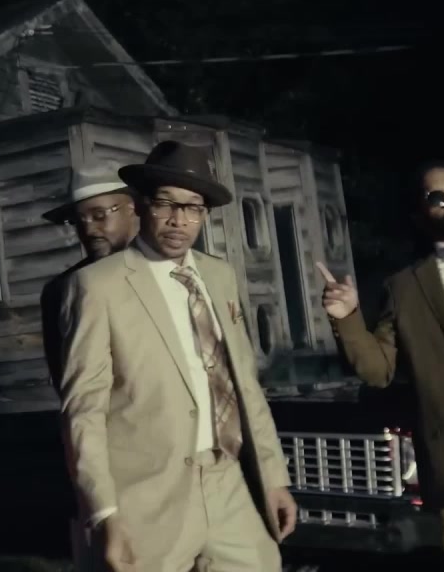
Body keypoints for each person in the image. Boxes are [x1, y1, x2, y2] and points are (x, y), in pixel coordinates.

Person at [59, 140, 297, 572]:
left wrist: (274, 477)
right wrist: (105, 512)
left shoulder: (219, 276)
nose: (178, 220)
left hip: (227, 480)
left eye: (192, 208)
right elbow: (83, 411)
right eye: (166, 204)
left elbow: (244, 384)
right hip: (147, 495)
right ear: (142, 205)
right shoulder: (98, 285)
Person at [319, 160, 444, 572]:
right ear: (421, 215)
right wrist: (346, 317)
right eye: (436, 198)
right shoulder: (406, 287)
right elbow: (378, 370)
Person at [37, 159, 139, 571]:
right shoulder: (62, 291)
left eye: (100, 215)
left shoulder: (170, 275)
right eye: (79, 221)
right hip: (103, 452)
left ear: (133, 209)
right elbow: (67, 382)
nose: (89, 229)